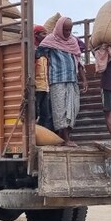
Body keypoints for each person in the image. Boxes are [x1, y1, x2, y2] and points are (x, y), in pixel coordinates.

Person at [38, 15, 86, 145]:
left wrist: (84, 79)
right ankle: (66, 139)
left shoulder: (72, 42)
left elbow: (78, 60)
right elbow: (38, 52)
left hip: (72, 80)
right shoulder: (51, 40)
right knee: (61, 110)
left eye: (70, 30)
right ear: (59, 28)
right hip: (57, 80)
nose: (68, 33)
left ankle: (62, 137)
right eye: (65, 30)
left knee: (73, 109)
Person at [32, 25, 53, 133]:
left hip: (45, 87)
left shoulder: (45, 50)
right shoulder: (32, 50)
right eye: (43, 34)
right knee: (34, 113)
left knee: (45, 114)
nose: (45, 36)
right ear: (36, 35)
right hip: (36, 87)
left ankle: (42, 136)